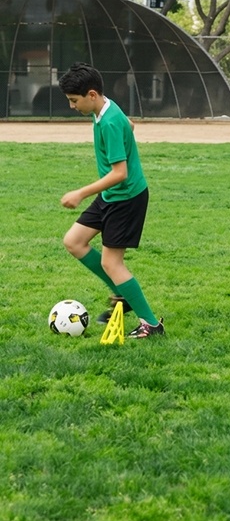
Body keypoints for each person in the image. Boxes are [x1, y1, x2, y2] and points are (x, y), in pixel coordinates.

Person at [57, 62, 165, 339]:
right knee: (74, 242)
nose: (72, 106)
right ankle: (123, 292)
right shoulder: (105, 107)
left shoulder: (109, 121)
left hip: (126, 199)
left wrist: (81, 193)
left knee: (111, 263)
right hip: (111, 197)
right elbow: (129, 123)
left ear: (91, 94)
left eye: (74, 100)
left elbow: (120, 173)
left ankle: (151, 324)